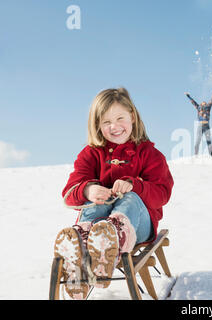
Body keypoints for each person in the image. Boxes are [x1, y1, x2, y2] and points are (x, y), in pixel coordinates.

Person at [54, 88, 174, 299]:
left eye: (120, 118)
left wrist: (136, 185)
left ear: (133, 118)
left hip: (139, 225)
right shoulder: (90, 154)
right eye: (107, 122)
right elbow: (69, 195)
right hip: (96, 225)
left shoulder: (149, 154)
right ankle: (82, 247)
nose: (115, 126)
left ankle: (114, 235)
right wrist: (88, 190)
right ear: (98, 125)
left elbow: (162, 193)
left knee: (129, 199)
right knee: (99, 202)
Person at [184, 90, 212, 156]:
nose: (204, 102)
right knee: (198, 139)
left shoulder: (208, 107)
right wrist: (188, 96)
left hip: (206, 124)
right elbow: (193, 102)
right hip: (200, 124)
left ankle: (211, 154)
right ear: (201, 104)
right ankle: (196, 154)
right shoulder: (199, 107)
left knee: (208, 140)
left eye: (205, 102)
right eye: (202, 102)